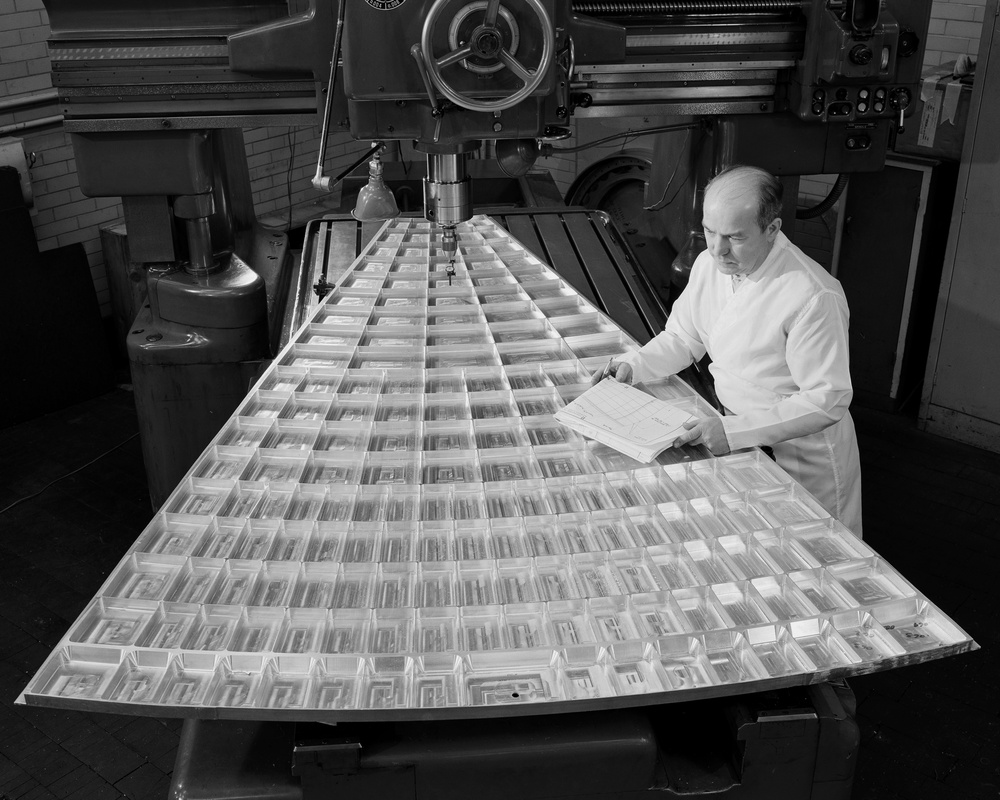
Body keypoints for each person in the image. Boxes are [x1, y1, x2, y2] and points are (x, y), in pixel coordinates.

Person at [595, 165, 862, 535]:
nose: (718, 250)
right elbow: (683, 338)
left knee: (814, 558)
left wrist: (735, 432)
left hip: (801, 455)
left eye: (735, 237)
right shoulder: (709, 266)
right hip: (735, 434)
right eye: (710, 231)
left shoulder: (813, 294)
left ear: (772, 229)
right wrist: (633, 366)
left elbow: (828, 398)